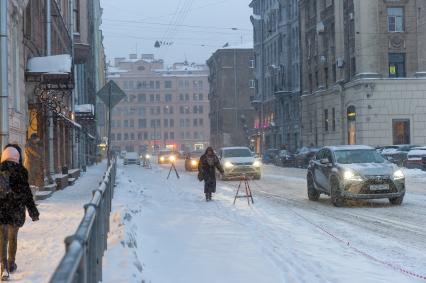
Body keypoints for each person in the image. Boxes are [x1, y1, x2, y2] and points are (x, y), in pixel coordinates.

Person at [0, 146, 39, 280]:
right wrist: (33, 212)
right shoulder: (21, 171)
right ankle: (11, 263)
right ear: (17, 157)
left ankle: (4, 267)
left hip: (2, 211)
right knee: (12, 238)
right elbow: (27, 194)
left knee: (2, 239)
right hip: (16, 211)